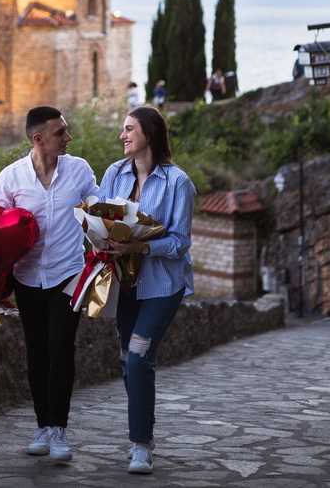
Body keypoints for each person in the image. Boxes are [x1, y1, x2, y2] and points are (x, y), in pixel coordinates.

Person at [0, 106, 98, 462]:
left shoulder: (80, 170)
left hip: (69, 273)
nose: (68, 138)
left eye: (66, 131)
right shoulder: (10, 178)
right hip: (27, 277)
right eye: (60, 133)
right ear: (38, 139)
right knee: (36, 350)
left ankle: (59, 428)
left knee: (61, 347)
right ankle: (42, 426)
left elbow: (96, 215)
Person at [99, 105, 195, 475]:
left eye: (129, 129)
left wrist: (140, 247)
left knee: (138, 356)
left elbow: (180, 243)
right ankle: (143, 432)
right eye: (123, 129)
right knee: (128, 359)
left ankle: (140, 444)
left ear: (149, 135)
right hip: (124, 283)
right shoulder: (113, 173)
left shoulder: (178, 183)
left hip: (162, 285)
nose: (123, 136)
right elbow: (101, 217)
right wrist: (100, 240)